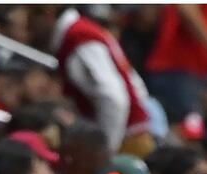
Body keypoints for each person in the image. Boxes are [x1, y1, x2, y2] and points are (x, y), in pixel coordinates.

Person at [27, 6, 155, 157]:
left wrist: (104, 151)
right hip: (132, 136)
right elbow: (135, 84)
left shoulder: (78, 37)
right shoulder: (84, 30)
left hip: (126, 142)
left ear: (47, 12)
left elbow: (114, 99)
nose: (29, 28)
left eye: (30, 18)